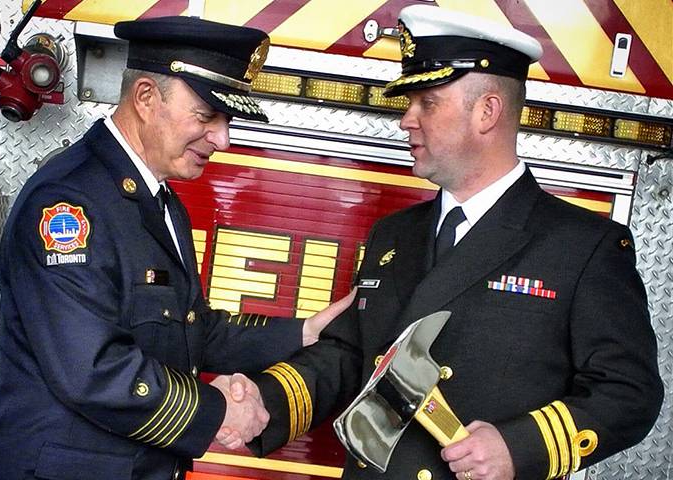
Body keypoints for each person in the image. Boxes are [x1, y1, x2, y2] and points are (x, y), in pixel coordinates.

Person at [217, 5, 663, 480]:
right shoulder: (394, 234)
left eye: (427, 103)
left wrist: (520, 447)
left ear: (487, 111)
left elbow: (627, 392)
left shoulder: (582, 246)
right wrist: (265, 400)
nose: (407, 119)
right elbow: (349, 358)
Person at [0, 16, 353, 480]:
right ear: (147, 98)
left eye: (226, 120)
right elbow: (93, 370)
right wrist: (220, 411)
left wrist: (301, 333)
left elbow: (190, 327)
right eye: (206, 116)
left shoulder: (159, 199)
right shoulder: (70, 204)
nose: (223, 139)